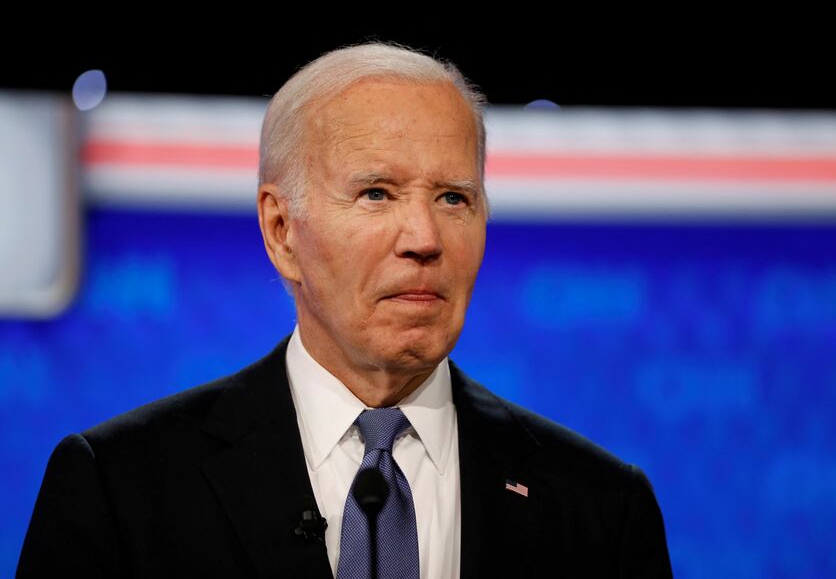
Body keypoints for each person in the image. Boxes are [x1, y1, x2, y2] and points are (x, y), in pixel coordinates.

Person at [18, 42, 673, 578]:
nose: (424, 238)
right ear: (281, 231)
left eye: (453, 198)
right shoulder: (120, 489)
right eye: (377, 194)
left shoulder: (601, 508)